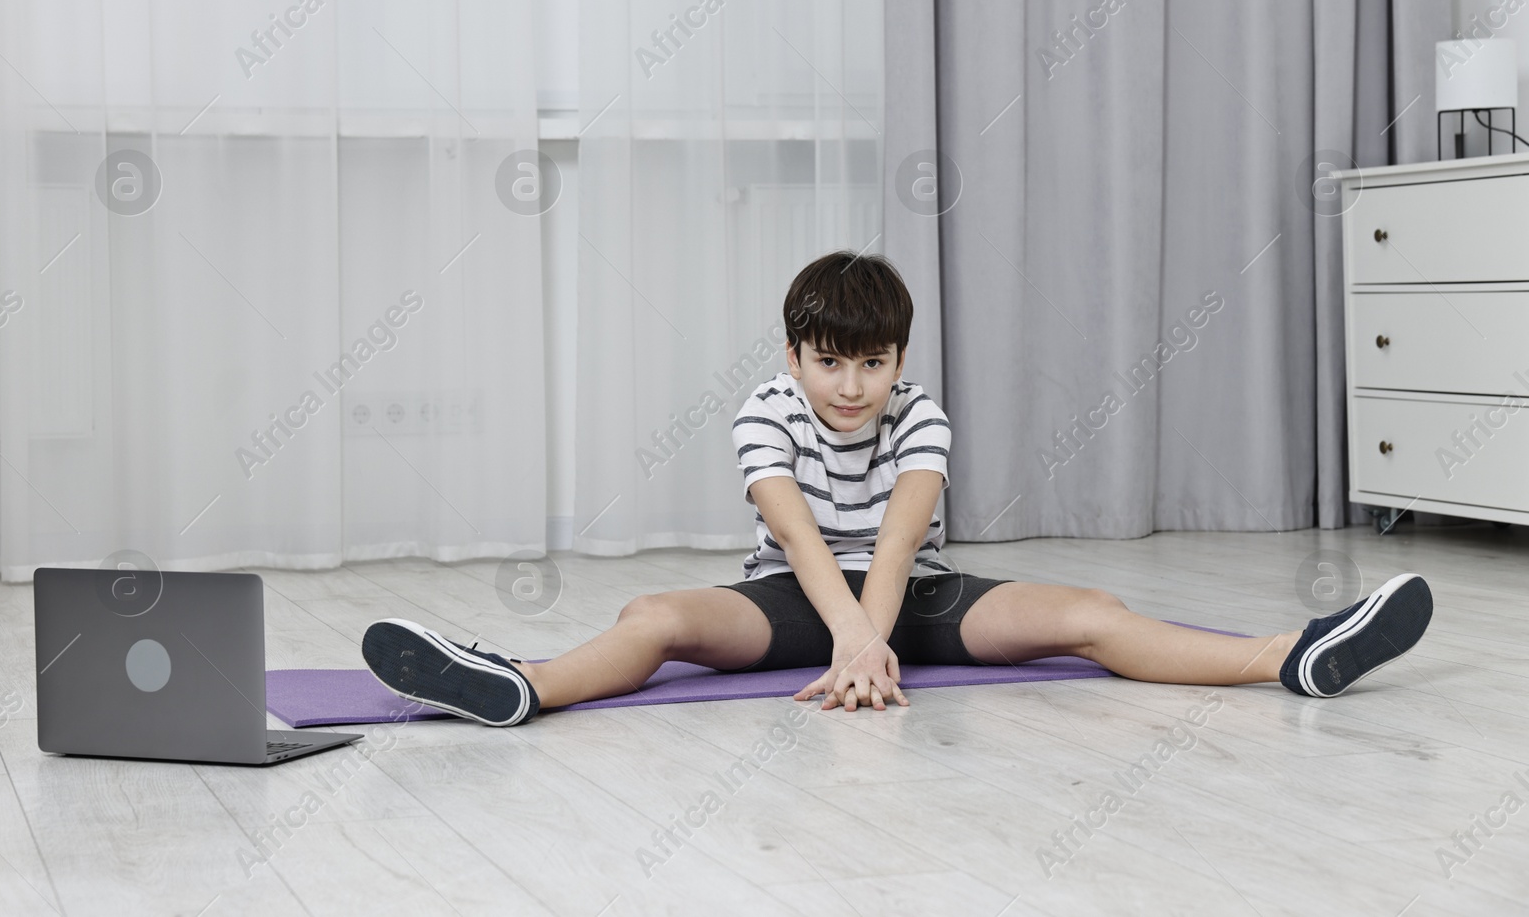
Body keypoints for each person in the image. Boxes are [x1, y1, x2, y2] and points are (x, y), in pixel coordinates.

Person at [360, 251, 1433, 727]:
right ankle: (523, 686)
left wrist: (874, 640)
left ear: (896, 358)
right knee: (651, 617)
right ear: (794, 356)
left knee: (1091, 615)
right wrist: (849, 641)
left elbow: (903, 530)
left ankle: (1290, 657)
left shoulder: (920, 411)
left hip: (910, 594)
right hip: (793, 597)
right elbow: (799, 535)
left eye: (871, 363)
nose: (850, 385)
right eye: (829, 362)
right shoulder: (761, 411)